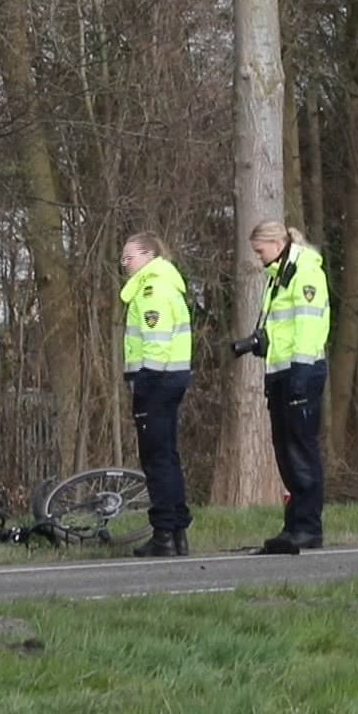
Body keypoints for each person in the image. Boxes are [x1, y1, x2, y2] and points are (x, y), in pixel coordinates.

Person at [246, 220, 330, 552]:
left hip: (302, 371)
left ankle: (309, 526)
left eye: (260, 250)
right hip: (281, 372)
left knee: (301, 451)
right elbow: (281, 327)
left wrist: (299, 372)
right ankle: (295, 522)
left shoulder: (305, 273)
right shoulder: (277, 278)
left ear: (277, 243)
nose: (258, 257)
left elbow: (308, 327)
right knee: (285, 453)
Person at [120, 232, 194, 557]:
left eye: (129, 256)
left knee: (156, 459)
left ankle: (164, 532)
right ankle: (176, 532)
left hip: (156, 381)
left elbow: (156, 341)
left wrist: (142, 385)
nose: (124, 263)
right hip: (168, 379)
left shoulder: (152, 289)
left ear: (148, 255)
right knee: (167, 455)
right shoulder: (164, 284)